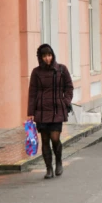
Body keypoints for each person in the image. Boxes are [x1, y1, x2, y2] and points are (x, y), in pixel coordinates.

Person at [27, 44, 73, 179]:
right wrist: (30, 112)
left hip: (57, 110)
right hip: (41, 111)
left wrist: (65, 102)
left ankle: (58, 161)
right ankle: (48, 169)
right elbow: (32, 93)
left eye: (49, 55)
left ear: (53, 55)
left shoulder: (61, 70)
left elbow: (69, 87)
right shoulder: (36, 72)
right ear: (40, 57)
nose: (47, 58)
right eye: (44, 56)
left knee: (55, 138)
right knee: (45, 140)